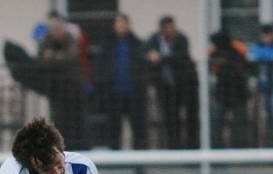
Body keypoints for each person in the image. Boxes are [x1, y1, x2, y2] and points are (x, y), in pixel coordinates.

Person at [145, 16, 199, 149]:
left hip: (184, 85)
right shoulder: (153, 40)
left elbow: (181, 56)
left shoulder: (181, 39)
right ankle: (173, 146)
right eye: (169, 27)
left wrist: (161, 57)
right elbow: (147, 54)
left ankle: (192, 146)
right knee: (170, 118)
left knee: (190, 117)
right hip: (165, 86)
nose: (172, 30)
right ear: (163, 29)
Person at [37, 13, 88, 149]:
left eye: (58, 29)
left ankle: (79, 146)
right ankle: (60, 147)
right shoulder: (45, 41)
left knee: (76, 120)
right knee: (58, 121)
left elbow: (70, 57)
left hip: (73, 89)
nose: (56, 32)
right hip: (55, 90)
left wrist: (53, 57)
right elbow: (41, 59)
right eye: (53, 29)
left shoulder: (70, 39)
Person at [98, 13, 148, 150]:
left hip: (134, 92)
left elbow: (143, 66)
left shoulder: (137, 44)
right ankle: (115, 154)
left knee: (138, 126)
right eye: (117, 23)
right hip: (114, 92)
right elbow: (101, 66)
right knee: (114, 126)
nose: (120, 26)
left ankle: (140, 159)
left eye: (122, 23)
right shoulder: (108, 44)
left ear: (128, 25)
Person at [247, 24, 273, 147]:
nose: (266, 37)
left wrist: (264, 56)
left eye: (269, 34)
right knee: (264, 115)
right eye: (264, 35)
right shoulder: (257, 44)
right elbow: (250, 56)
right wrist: (268, 56)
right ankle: (266, 144)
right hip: (264, 86)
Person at [209, 30, 250, 148]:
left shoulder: (238, 50)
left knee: (239, 124)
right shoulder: (214, 52)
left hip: (238, 91)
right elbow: (212, 68)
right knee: (216, 122)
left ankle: (240, 148)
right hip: (221, 92)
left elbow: (246, 67)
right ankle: (217, 149)